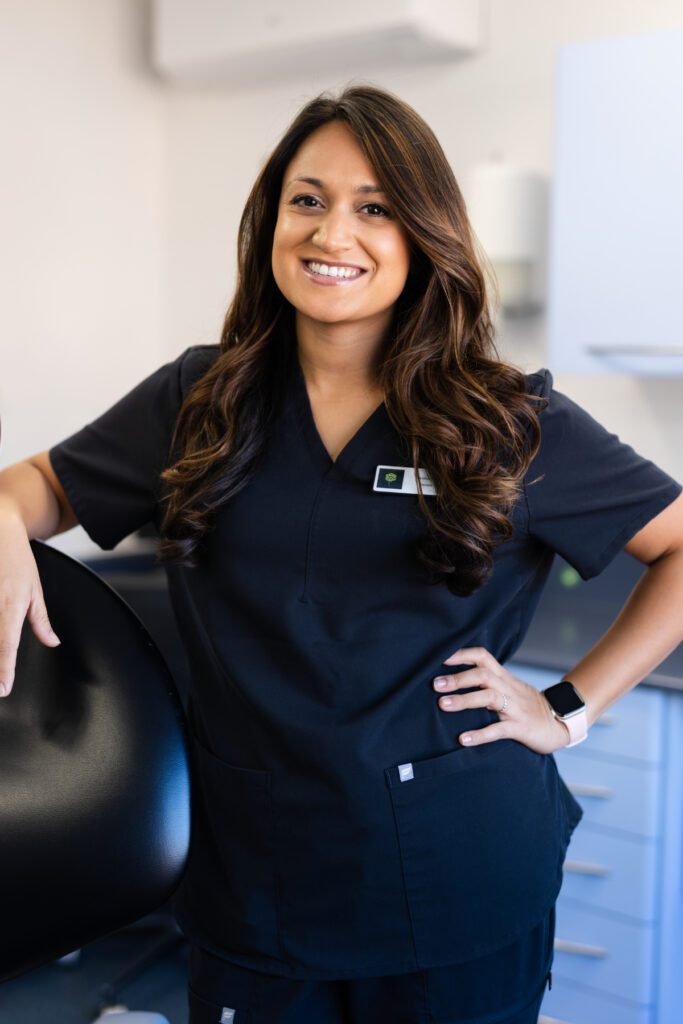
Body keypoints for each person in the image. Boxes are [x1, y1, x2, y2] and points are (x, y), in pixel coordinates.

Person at [1, 84, 682, 1024]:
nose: (331, 234)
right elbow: (34, 487)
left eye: (373, 208)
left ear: (424, 235)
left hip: (461, 870)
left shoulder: (505, 419)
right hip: (259, 871)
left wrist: (568, 707)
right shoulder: (201, 397)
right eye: (307, 200)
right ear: (271, 220)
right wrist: (3, 516)